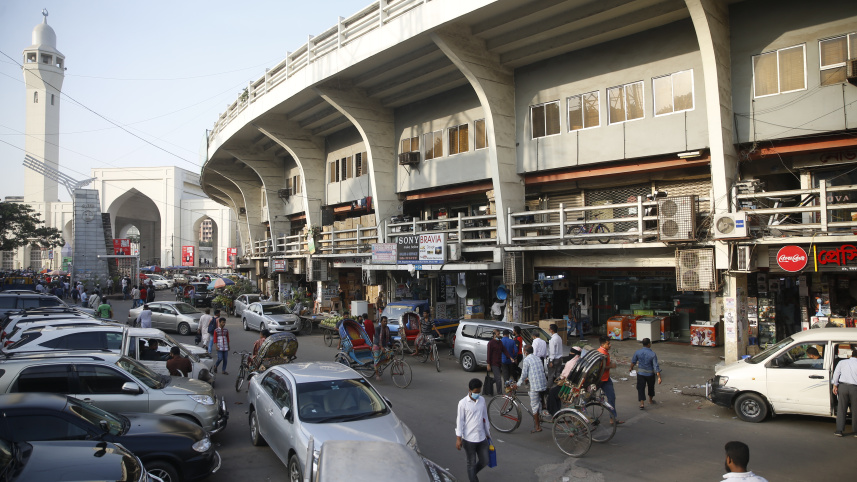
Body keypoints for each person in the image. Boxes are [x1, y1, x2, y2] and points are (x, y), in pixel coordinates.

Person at [455, 378, 492, 482]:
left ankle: (471, 473)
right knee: (471, 463)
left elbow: (485, 416)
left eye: (479, 392)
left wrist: (487, 432)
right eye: (475, 392)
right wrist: (458, 439)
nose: (477, 394)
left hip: (482, 437)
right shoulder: (462, 403)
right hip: (468, 439)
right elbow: (460, 421)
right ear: (469, 390)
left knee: (485, 460)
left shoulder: (482, 400)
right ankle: (472, 477)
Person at [514, 344, 548, 433]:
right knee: (539, 401)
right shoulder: (537, 358)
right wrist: (529, 377)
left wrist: (517, 384)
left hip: (535, 385)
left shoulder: (526, 360)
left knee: (534, 405)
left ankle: (537, 426)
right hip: (543, 383)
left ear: (525, 352)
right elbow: (537, 370)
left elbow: (523, 374)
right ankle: (540, 414)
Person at [547, 346, 584, 415]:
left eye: (571, 352)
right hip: (576, 385)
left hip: (569, 387)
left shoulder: (571, 363)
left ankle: (554, 412)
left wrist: (561, 378)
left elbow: (563, 376)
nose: (569, 353)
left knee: (552, 392)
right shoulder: (580, 362)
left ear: (574, 354)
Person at [629, 338, 662, 410]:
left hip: (641, 373)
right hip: (650, 374)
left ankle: (642, 403)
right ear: (649, 344)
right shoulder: (652, 354)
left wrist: (631, 368)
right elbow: (656, 366)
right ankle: (650, 400)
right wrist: (659, 377)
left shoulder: (638, 352)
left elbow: (633, 362)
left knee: (641, 388)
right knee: (651, 387)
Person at [832, 346, 857, 437]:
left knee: (841, 408)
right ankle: (855, 432)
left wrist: (835, 385)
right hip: (855, 388)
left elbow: (836, 374)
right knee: (855, 410)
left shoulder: (842, 362)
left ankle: (839, 431)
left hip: (843, 387)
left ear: (851, 355)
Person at [597, 335, 621, 424]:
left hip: (606, 378)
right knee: (611, 398)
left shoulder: (605, 352)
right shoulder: (601, 353)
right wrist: (611, 366)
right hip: (601, 379)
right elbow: (600, 367)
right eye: (608, 343)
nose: (610, 345)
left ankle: (612, 418)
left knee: (611, 398)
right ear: (603, 344)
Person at [486, 329, 512, 396]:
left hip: (499, 362)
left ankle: (490, 383)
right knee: (499, 379)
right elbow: (489, 354)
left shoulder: (500, 342)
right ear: (494, 335)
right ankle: (499, 393)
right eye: (498, 334)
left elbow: (504, 350)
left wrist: (510, 357)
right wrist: (488, 364)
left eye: (499, 334)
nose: (499, 335)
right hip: (494, 363)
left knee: (496, 378)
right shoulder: (491, 343)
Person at [372, 316, 392, 381]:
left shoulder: (387, 328)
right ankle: (377, 375)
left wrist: (394, 344)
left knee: (391, 353)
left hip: (384, 345)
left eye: (386, 321)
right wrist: (381, 347)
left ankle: (382, 362)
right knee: (376, 360)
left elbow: (390, 337)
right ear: (381, 322)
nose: (385, 323)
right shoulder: (377, 328)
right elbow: (377, 338)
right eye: (384, 321)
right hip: (377, 345)